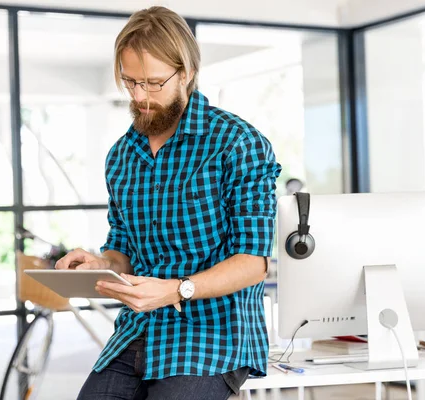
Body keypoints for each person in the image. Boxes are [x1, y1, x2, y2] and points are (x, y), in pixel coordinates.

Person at [55, 6, 281, 400]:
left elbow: (254, 263)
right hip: (137, 332)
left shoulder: (237, 143)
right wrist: (102, 264)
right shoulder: (121, 156)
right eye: (130, 82)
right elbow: (122, 248)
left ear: (187, 72)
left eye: (154, 83)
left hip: (213, 337)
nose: (140, 97)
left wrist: (178, 290)